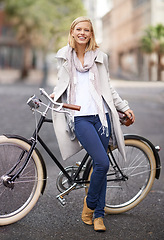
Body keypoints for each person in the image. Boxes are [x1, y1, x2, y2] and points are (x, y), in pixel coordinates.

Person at [51, 16, 135, 232]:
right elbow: (62, 83)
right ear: (72, 32)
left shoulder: (100, 57)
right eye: (78, 29)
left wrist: (123, 106)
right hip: (80, 118)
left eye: (86, 30)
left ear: (91, 34)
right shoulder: (64, 56)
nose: (82, 33)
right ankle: (89, 207)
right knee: (102, 163)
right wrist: (55, 95)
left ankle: (98, 215)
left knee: (101, 164)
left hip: (102, 117)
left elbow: (108, 87)